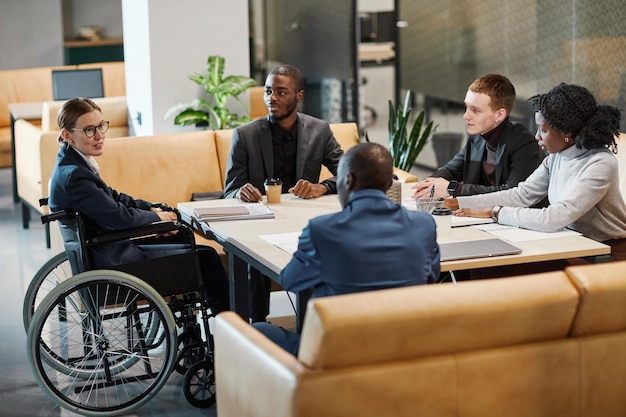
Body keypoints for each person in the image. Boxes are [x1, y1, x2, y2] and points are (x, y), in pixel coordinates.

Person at [253, 142, 440, 355]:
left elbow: (291, 280)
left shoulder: (322, 230)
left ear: (348, 180)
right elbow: (430, 276)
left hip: (338, 354)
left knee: (255, 331)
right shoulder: (424, 225)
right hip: (403, 349)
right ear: (389, 183)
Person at [49, 97, 229, 313]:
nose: (99, 136)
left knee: (178, 235)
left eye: (101, 126)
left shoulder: (72, 164)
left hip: (107, 251)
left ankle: (193, 329)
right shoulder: (76, 176)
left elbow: (115, 198)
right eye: (89, 130)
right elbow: (118, 217)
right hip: (113, 264)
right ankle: (229, 330)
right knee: (207, 257)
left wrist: (152, 209)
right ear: (67, 135)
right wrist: (156, 219)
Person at [447, 82, 626, 266]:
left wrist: (496, 211)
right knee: (485, 263)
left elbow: (555, 217)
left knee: (497, 267)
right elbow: (521, 195)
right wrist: (455, 203)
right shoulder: (555, 158)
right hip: (572, 242)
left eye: (544, 130)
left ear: (567, 133)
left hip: (608, 253)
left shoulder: (600, 163)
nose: (537, 136)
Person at [223, 64, 344, 322]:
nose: (271, 99)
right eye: (268, 92)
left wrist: (322, 186)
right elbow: (230, 188)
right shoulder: (245, 135)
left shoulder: (319, 130)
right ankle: (255, 325)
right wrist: (240, 192)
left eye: (280, 92)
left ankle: (318, 323)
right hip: (261, 224)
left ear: (299, 95)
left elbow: (347, 171)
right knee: (250, 253)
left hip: (305, 221)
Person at [412, 73, 545, 200]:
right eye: (467, 107)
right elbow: (451, 170)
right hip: (481, 216)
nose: (466, 116)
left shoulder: (524, 144)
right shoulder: (477, 137)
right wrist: (428, 183)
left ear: (499, 115)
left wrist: (453, 188)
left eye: (475, 110)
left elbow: (511, 194)